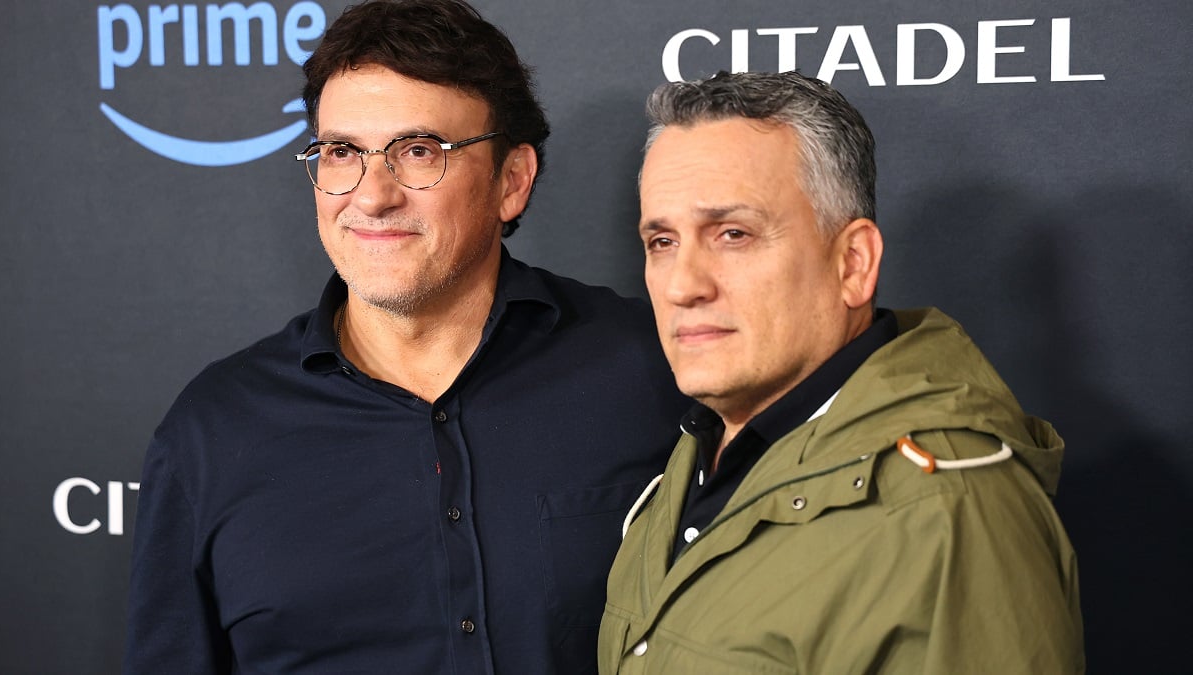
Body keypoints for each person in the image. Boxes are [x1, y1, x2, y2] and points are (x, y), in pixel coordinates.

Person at [123, 1, 688, 673]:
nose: (372, 194)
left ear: (512, 182)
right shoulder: (212, 432)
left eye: (419, 151)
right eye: (341, 153)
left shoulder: (653, 368)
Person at [598, 71, 1084, 674]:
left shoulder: (946, 512)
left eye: (733, 234)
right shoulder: (701, 451)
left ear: (853, 263)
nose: (682, 285)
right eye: (662, 241)